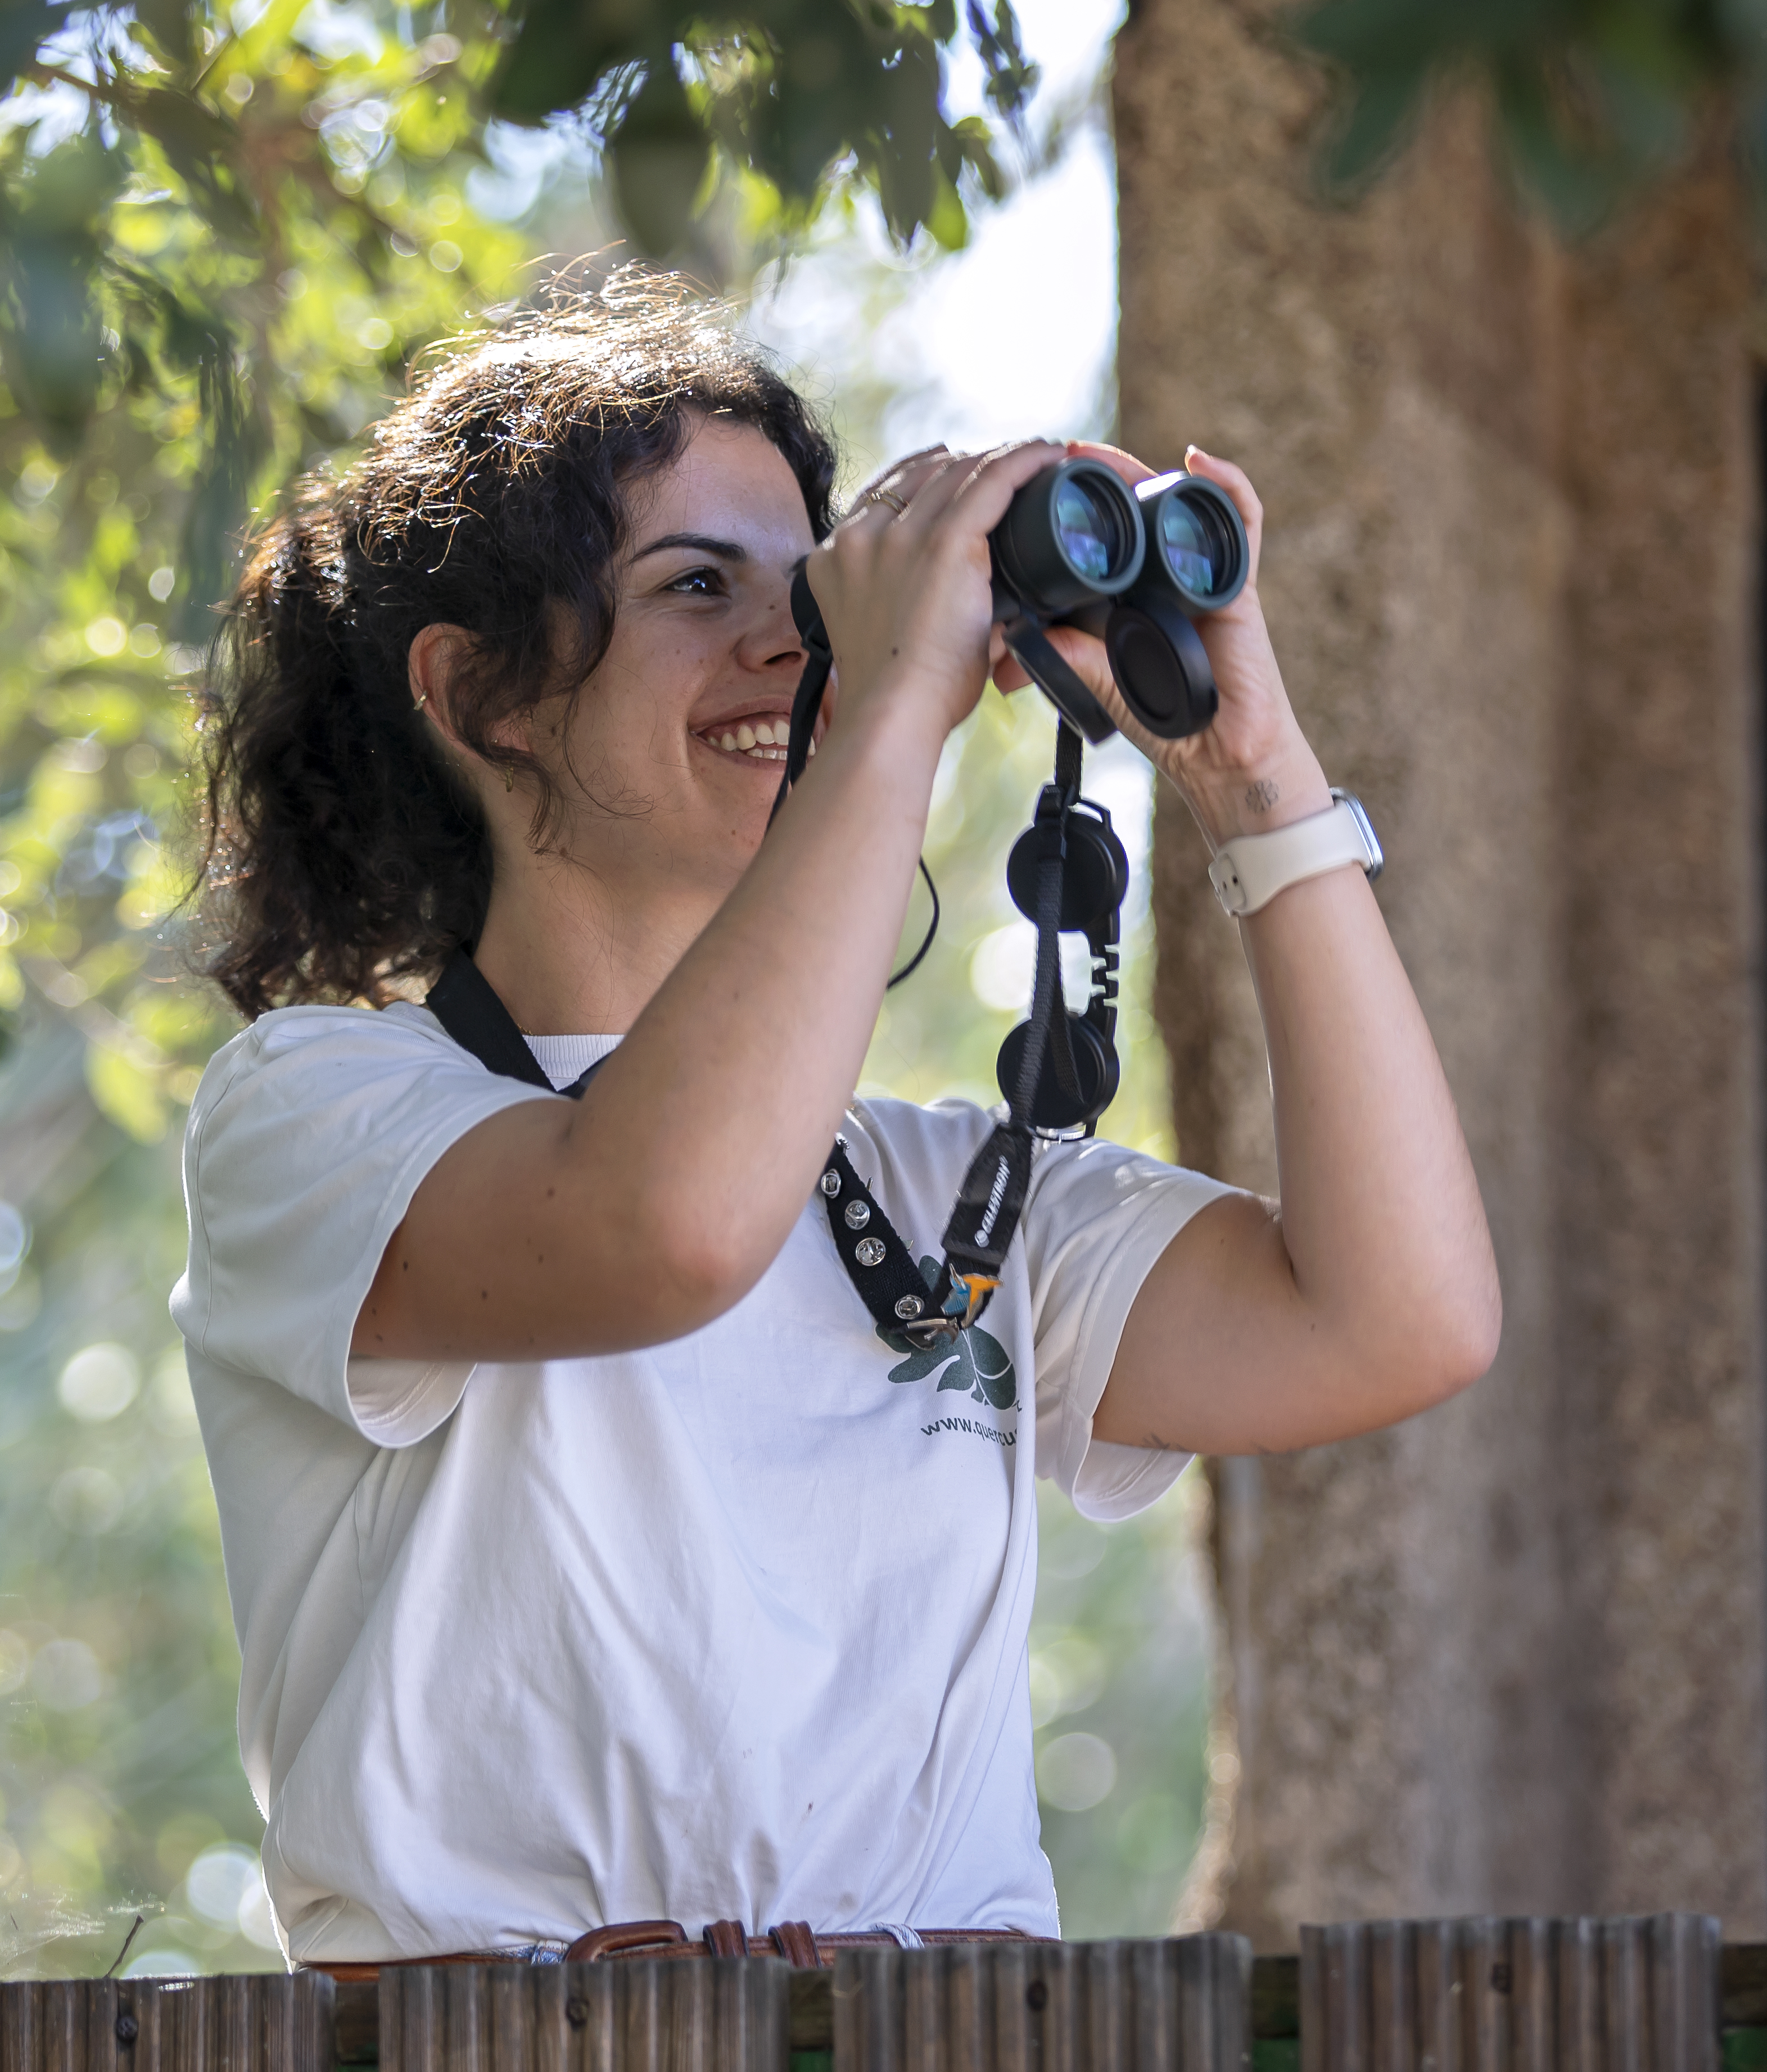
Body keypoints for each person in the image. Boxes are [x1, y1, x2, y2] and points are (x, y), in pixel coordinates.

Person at [175, 274, 1498, 1971]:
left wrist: (1256, 781)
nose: (787, 646)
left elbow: (1403, 1320)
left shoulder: (946, 1193)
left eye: (809, 594)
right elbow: (662, 1227)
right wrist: (887, 701)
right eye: (694, 587)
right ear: (484, 695)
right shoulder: (323, 1108)